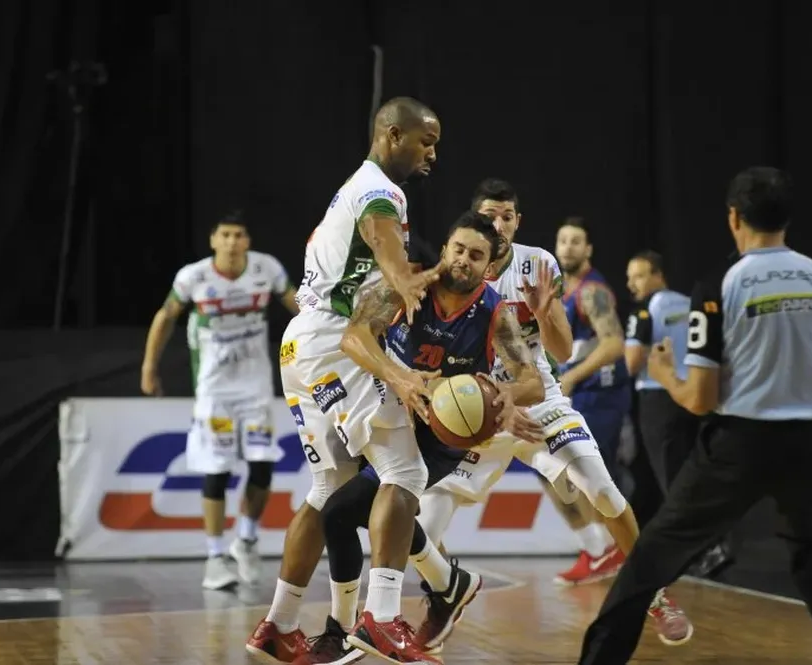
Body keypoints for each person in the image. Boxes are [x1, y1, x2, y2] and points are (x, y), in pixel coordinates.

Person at [578, 166, 812, 665]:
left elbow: (699, 399)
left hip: (742, 446)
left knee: (650, 558)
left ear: (734, 217)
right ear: (787, 217)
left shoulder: (721, 284)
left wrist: (664, 371)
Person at [424, 179, 693, 646]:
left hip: (537, 397)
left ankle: (655, 595)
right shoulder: (455, 273)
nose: (498, 224)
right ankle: (445, 595)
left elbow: (563, 350)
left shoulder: (538, 264)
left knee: (602, 488)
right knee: (422, 525)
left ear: (517, 221)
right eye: (489, 215)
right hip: (479, 409)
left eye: (507, 216)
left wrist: (545, 313)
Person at [294, 212, 546, 665]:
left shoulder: (497, 315)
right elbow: (354, 338)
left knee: (368, 508)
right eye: (458, 249)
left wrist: (499, 395)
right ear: (446, 249)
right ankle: (445, 587)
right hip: (397, 411)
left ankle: (358, 625)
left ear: (489, 267)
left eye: (476, 255)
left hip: (446, 433)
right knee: (337, 515)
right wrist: (404, 378)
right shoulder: (407, 285)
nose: (464, 260)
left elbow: (533, 383)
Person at [245, 97, 444, 663]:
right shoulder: (381, 191)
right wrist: (405, 280)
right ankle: (382, 617)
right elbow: (383, 239)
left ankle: (279, 625)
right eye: (424, 140)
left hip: (298, 345)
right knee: (405, 470)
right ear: (391, 133)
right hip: (333, 343)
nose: (432, 153)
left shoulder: (354, 187)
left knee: (328, 490)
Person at [140, 211, 299, 589]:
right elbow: (165, 316)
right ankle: (214, 557)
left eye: (239, 235)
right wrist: (149, 366)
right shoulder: (193, 277)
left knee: (262, 466)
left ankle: (246, 539)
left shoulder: (267, 270)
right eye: (225, 235)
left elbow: (301, 309)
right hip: (214, 392)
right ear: (213, 240)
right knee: (218, 469)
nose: (231, 242)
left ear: (248, 241)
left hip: (255, 387)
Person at [624, 250, 733, 578]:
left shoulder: (646, 310)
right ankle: (715, 543)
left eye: (639, 276)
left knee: (672, 479)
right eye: (629, 278)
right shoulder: (689, 303)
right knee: (695, 474)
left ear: (658, 275)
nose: (632, 285)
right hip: (695, 393)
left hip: (659, 399)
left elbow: (631, 363)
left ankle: (702, 551)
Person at [549, 216, 634, 585]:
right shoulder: (558, 289)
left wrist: (571, 375)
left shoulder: (591, 291)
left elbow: (615, 344)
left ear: (588, 249)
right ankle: (599, 550)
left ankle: (612, 552)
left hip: (601, 393)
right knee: (556, 472)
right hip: (578, 392)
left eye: (576, 241)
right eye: (563, 240)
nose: (568, 246)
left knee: (589, 477)